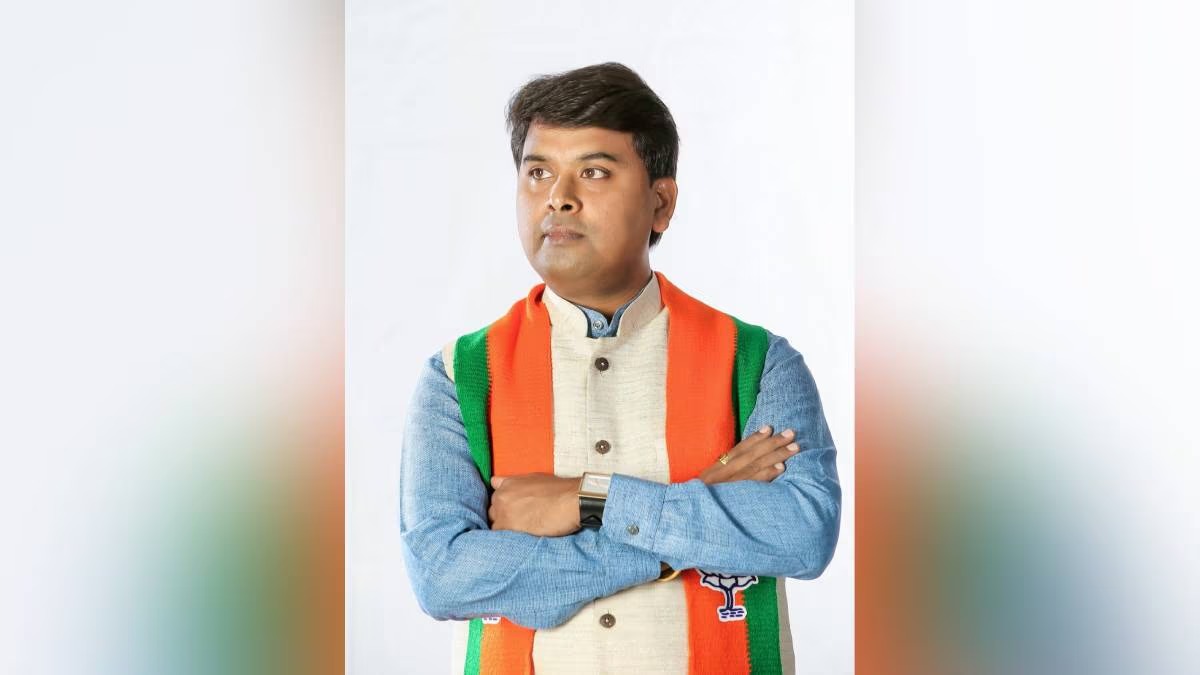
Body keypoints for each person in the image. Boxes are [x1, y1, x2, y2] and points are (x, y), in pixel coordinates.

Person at [399, 62, 841, 675]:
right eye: (537, 172)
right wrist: (695, 510)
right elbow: (444, 577)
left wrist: (590, 500)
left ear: (661, 203)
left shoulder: (759, 362)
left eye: (594, 171)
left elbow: (802, 534)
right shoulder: (459, 377)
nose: (558, 196)